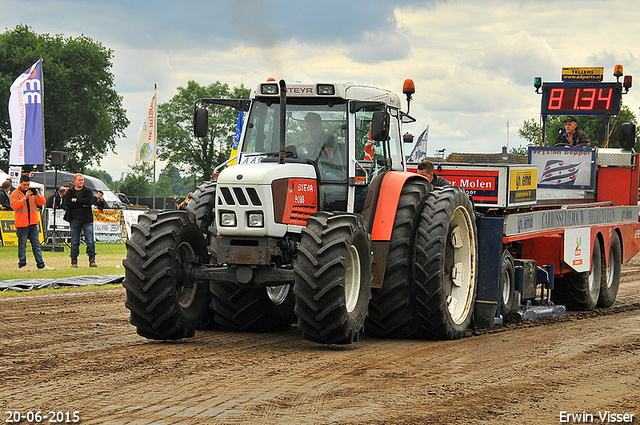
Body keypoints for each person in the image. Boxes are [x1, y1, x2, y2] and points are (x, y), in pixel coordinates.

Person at [9, 174, 54, 271]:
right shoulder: (15, 194)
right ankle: (22, 265)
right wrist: (24, 197)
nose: (26, 187)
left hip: (33, 223)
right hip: (22, 224)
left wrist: (37, 194)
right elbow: (14, 206)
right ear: (20, 183)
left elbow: (42, 202)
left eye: (28, 184)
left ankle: (41, 265)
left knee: (36, 245)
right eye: (24, 184)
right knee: (22, 245)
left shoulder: (32, 191)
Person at [64, 173, 97, 268]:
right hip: (74, 219)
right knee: (75, 241)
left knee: (90, 240)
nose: (81, 182)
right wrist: (81, 202)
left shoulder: (87, 191)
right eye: (79, 180)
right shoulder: (70, 192)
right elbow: (68, 204)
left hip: (87, 219)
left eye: (82, 180)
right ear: (75, 181)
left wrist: (76, 200)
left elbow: (89, 201)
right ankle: (74, 261)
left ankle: (92, 260)